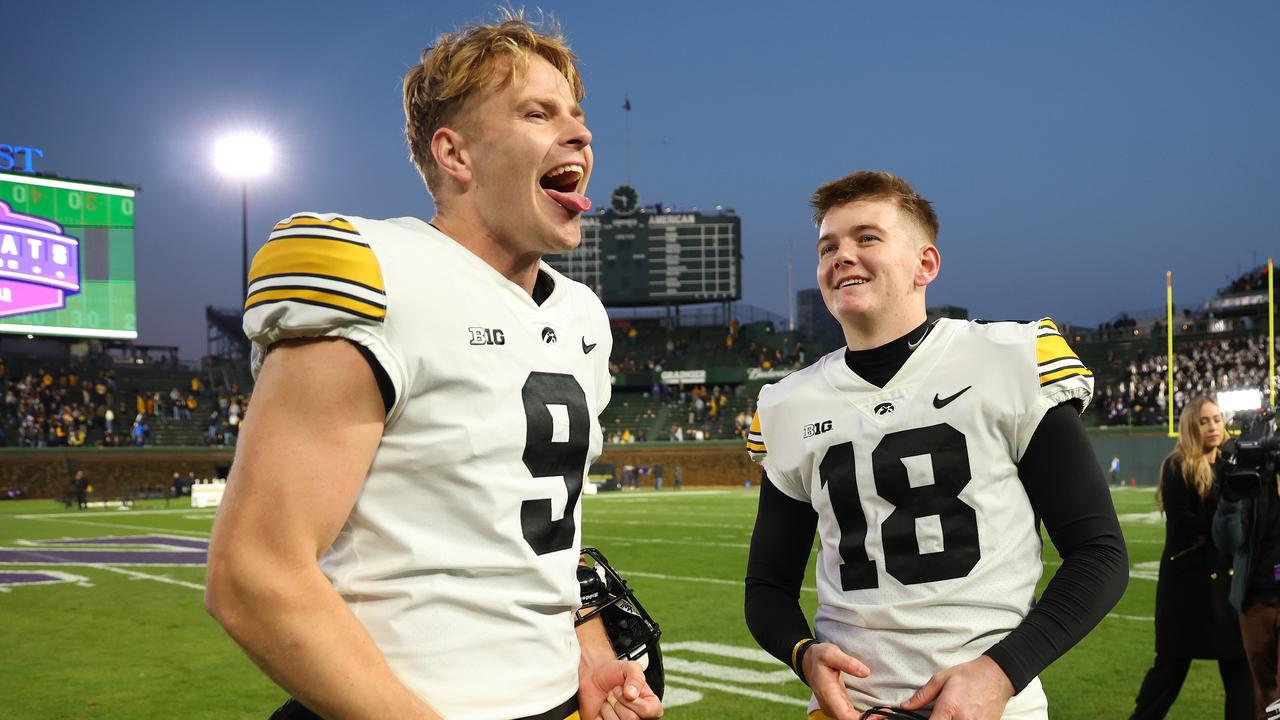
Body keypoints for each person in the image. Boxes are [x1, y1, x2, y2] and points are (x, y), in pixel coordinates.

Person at [204, 13, 662, 720]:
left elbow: (536, 533)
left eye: (577, 114)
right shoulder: (376, 273)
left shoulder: (581, 318)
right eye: (537, 113)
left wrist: (588, 656)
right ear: (455, 155)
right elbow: (253, 573)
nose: (581, 133)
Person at [743, 171, 1129, 720]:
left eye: (866, 238)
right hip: (848, 711)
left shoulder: (1010, 359)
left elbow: (1100, 554)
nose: (841, 256)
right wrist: (803, 655)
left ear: (926, 265)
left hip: (990, 709)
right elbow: (766, 588)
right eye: (828, 246)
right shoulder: (787, 403)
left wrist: (1001, 671)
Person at [1130, 397, 1252, 719]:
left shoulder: (1232, 464)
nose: (1213, 427)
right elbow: (1188, 522)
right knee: (1168, 673)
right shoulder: (1177, 465)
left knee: (1241, 671)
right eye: (1204, 421)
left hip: (1226, 588)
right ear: (1190, 426)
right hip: (1187, 589)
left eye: (1217, 419)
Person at [1214, 417, 1280, 720]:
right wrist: (1230, 497)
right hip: (1256, 598)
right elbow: (1229, 540)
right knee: (1265, 699)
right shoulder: (1251, 475)